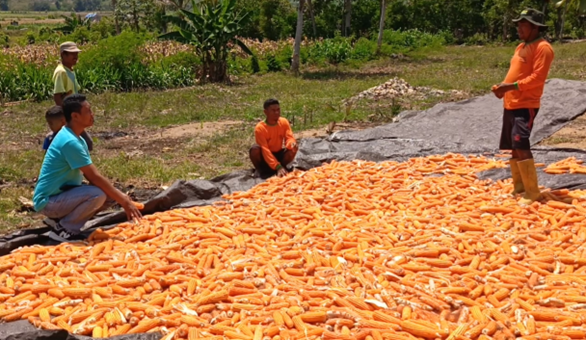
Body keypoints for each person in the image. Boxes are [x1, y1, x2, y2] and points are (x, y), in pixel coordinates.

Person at [33, 94, 142, 241]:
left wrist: (118, 196)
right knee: (97, 195)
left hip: (61, 194)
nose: (92, 114)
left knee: (107, 194)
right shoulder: (69, 142)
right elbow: (93, 176)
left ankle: (59, 220)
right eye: (88, 111)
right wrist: (123, 200)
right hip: (48, 202)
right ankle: (64, 229)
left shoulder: (77, 138)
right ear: (75, 116)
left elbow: (91, 177)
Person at [491, 8, 554, 205]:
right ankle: (520, 187)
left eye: (523, 24)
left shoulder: (543, 48)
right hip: (511, 103)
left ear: (535, 27)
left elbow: (537, 78)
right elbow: (516, 72)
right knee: (513, 147)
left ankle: (532, 191)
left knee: (521, 143)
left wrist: (511, 86)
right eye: (518, 24)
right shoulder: (520, 47)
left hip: (526, 104)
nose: (519, 27)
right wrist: (503, 88)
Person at [53, 41, 93, 152]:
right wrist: (67, 117)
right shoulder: (61, 72)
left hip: (74, 114)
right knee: (86, 143)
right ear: (63, 55)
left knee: (83, 143)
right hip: (70, 116)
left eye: (76, 54)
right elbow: (57, 96)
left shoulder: (70, 71)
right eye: (72, 54)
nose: (75, 56)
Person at [249, 99, 298, 179]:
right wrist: (277, 166)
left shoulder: (284, 122)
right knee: (255, 150)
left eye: (278, 110)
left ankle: (283, 167)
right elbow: (265, 150)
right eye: (273, 110)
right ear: (265, 112)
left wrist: (291, 144)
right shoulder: (260, 128)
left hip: (278, 153)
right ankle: (260, 170)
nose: (277, 113)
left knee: (293, 149)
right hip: (264, 157)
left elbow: (289, 137)